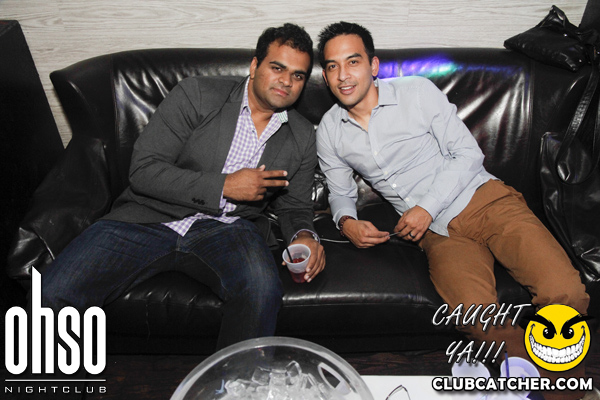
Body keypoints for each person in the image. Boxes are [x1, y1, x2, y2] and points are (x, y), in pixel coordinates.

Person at [316, 21, 594, 400]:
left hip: (485, 201)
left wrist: (425, 208)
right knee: (475, 319)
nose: (343, 75)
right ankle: (538, 387)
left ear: (373, 65)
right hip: (440, 236)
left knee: (566, 294)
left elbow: (468, 153)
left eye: (353, 61)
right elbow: (339, 192)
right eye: (332, 66)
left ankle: (566, 394)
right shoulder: (330, 130)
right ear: (325, 75)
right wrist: (346, 221)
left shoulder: (416, 92)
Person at [40, 23, 325, 351]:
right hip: (148, 217)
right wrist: (224, 186)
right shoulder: (198, 94)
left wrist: (305, 235)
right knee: (51, 293)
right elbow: (144, 170)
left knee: (261, 291)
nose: (287, 81)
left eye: (298, 75)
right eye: (277, 68)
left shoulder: (302, 135)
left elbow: (294, 206)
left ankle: (235, 379)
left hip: (229, 230)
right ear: (254, 65)